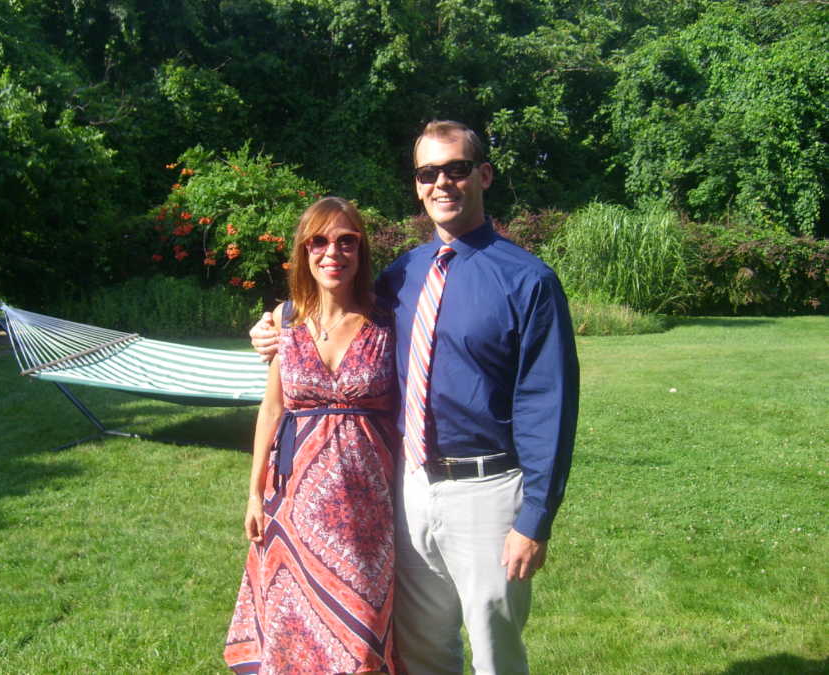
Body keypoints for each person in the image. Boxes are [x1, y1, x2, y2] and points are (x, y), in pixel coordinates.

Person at [250, 120, 579, 674]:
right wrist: (275, 324)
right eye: (429, 173)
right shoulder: (403, 278)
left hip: (488, 491)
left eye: (456, 169)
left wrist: (535, 518)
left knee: (495, 650)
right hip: (407, 488)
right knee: (422, 649)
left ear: (484, 175)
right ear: (417, 183)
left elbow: (550, 406)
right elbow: (332, 304)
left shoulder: (528, 281)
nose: (442, 183)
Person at [223, 197, 400, 674]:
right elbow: (273, 407)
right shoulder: (286, 319)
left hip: (366, 511)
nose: (332, 253)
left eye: (347, 241)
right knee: (294, 626)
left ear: (361, 252)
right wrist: (255, 494)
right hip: (293, 504)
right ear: (303, 252)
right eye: (318, 242)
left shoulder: (388, 319)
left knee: (361, 633)